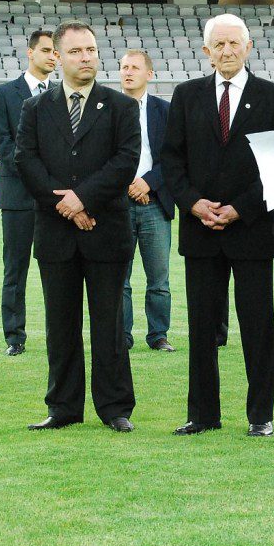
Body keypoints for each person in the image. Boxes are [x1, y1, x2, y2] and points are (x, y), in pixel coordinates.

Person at [161, 13, 274, 437]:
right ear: (206, 51)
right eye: (218, 45)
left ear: (249, 47)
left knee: (257, 326)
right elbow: (171, 159)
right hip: (199, 230)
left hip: (250, 229)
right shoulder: (186, 95)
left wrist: (239, 209)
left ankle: (260, 416)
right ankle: (202, 415)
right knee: (201, 326)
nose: (227, 51)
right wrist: (193, 204)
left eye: (234, 43)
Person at [15, 21, 141, 434]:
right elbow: (26, 162)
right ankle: (63, 407)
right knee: (60, 323)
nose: (85, 57)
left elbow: (125, 161)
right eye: (75, 52)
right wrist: (66, 207)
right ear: (58, 58)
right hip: (56, 235)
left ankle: (115, 407)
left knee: (109, 323)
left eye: (90, 50)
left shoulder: (121, 106)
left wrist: (82, 199)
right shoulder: (35, 108)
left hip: (106, 231)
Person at [0, 29, 57, 357]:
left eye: (55, 51)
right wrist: (35, 172)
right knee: (15, 268)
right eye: (46, 50)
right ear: (30, 53)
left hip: (56, 199)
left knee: (57, 269)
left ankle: (58, 331)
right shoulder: (3, 93)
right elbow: (1, 142)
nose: (52, 56)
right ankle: (14, 336)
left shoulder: (62, 93)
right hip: (18, 196)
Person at [118, 49, 176, 352]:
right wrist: (126, 184)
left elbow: (175, 158)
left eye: (135, 67)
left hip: (155, 203)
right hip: (117, 204)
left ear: (149, 74)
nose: (128, 72)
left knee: (159, 279)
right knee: (120, 278)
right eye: (124, 67)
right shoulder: (106, 108)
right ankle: (122, 336)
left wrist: (147, 182)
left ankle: (158, 335)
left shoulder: (165, 111)